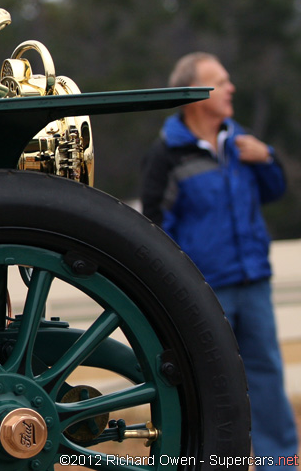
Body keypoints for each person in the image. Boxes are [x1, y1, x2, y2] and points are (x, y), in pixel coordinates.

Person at [141, 52, 297, 468]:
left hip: (254, 281)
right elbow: (155, 227)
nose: (231, 88)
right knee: (208, 382)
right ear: (195, 94)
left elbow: (275, 189)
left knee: (266, 375)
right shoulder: (167, 156)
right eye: (221, 81)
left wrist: (267, 157)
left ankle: (278, 462)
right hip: (206, 290)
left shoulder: (241, 140)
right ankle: (208, 460)